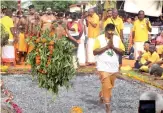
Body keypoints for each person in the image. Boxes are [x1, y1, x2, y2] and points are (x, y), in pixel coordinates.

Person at [93, 23, 125, 113]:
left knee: (110, 86)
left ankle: (102, 94)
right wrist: (107, 47)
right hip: (102, 67)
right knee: (107, 86)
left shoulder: (117, 39)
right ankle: (108, 107)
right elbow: (94, 52)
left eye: (112, 33)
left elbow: (122, 52)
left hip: (114, 68)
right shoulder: (99, 38)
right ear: (106, 31)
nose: (111, 35)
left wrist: (113, 47)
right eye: (109, 33)